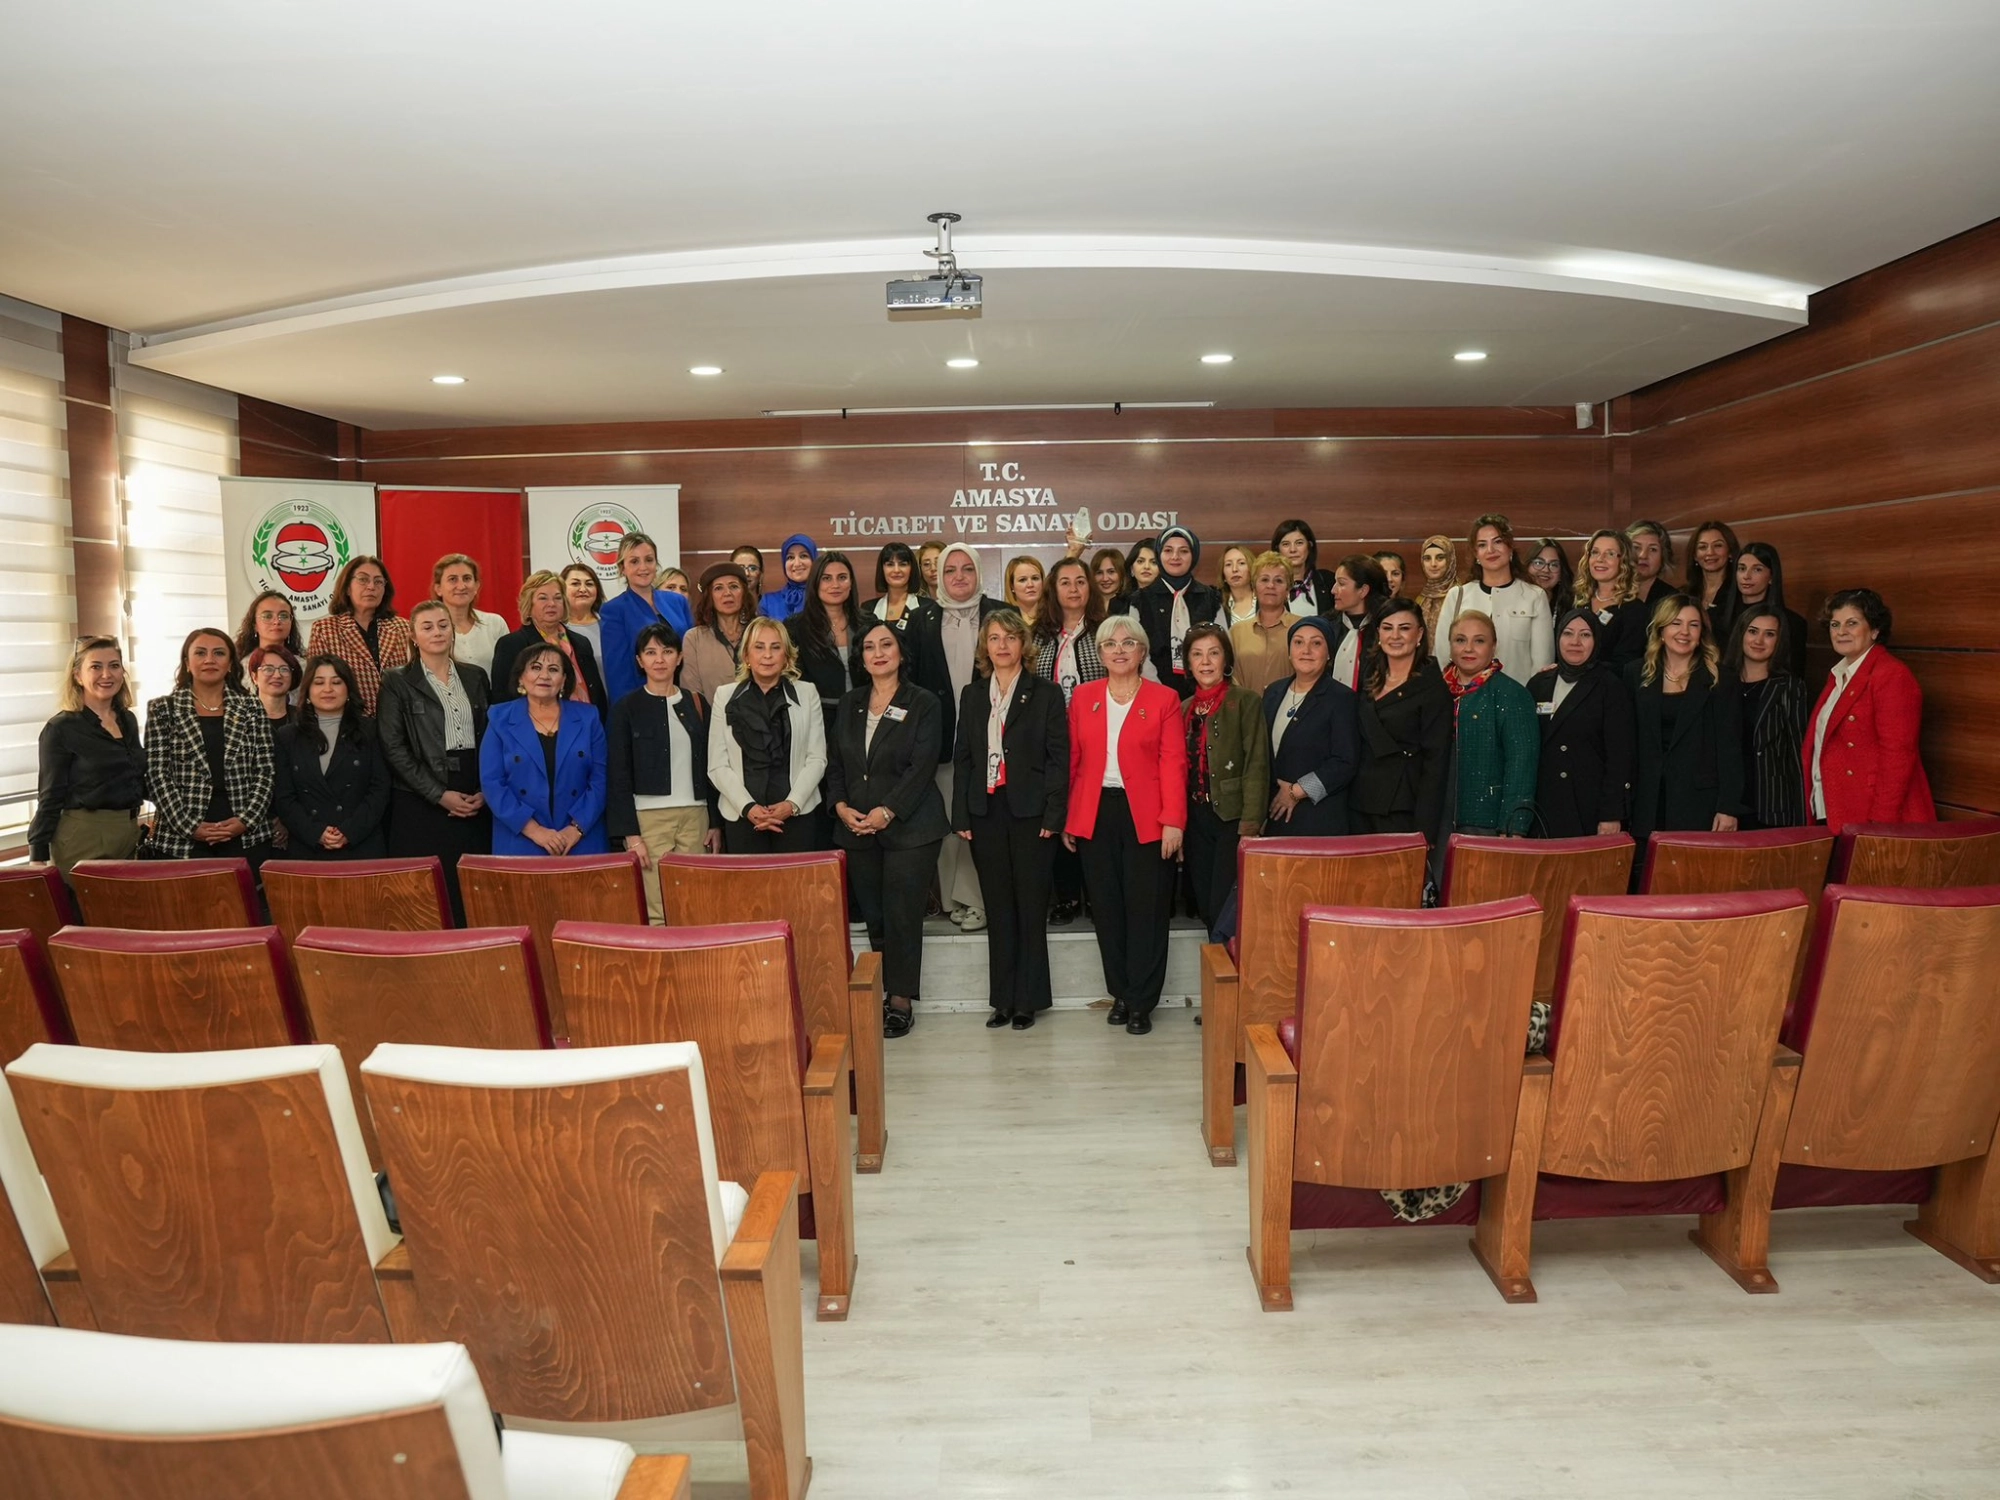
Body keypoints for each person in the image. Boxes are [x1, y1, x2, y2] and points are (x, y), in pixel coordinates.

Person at [1065, 615, 1186, 1036]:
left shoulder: (1164, 698)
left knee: (1146, 910)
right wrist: (1070, 817)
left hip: (1148, 816)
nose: (1118, 650)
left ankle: (1142, 1000)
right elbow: (1074, 762)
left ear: (1142, 651)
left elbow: (1173, 763)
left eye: (1128, 642)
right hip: (1096, 812)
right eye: (1109, 644)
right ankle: (1119, 992)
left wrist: (1173, 821)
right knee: (1108, 909)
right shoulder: (1083, 697)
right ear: (1099, 654)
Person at [828, 620, 950, 1038]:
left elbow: (922, 766)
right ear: (860, 658)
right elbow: (837, 764)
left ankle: (900, 1001)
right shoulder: (850, 703)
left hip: (910, 827)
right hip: (856, 826)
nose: (878, 653)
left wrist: (888, 811)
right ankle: (881, 991)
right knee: (876, 917)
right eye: (868, 647)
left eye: (886, 645)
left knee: (901, 915)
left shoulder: (923, 702)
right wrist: (841, 806)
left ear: (901, 652)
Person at [952, 610, 1068, 1029]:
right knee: (998, 907)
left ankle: (1028, 1001)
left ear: (1024, 645)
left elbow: (1059, 759)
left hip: (1032, 812)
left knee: (1030, 907)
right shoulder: (972, 694)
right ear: (986, 647)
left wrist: (1055, 814)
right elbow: (964, 756)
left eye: (1010, 638)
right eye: (995, 638)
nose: (1002, 645)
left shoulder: (1046, 694)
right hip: (986, 811)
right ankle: (1002, 999)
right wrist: (961, 813)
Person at [379, 600, 491, 922]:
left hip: (473, 793)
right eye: (427, 627)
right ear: (413, 636)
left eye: (443, 625)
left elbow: (491, 736)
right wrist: (438, 795)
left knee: (470, 894)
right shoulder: (397, 681)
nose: (437, 632)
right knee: (426, 897)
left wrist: (485, 788)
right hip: (421, 799)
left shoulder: (475, 677)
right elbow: (393, 746)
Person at [608, 622, 720, 922]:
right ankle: (663, 969)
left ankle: (695, 968)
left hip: (696, 816)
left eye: (667, 651)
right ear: (639, 660)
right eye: (651, 652)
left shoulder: (696, 702)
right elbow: (618, 774)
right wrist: (630, 834)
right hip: (649, 820)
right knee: (656, 909)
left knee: (695, 903)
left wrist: (715, 822)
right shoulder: (626, 708)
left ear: (680, 657)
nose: (659, 659)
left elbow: (713, 765)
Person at [1806, 588, 1935, 833]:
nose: (1841, 631)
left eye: (1851, 623)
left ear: (1875, 629)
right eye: (1835, 624)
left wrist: (1879, 826)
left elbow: (1897, 756)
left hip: (1873, 819)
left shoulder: (1891, 675)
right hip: (1837, 810)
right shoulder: (1839, 675)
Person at [143, 627, 275, 861]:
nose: (209, 660)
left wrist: (246, 821)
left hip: (244, 833)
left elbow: (265, 771)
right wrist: (189, 826)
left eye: (219, 653)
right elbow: (157, 775)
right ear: (187, 662)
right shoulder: (163, 709)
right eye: (201, 653)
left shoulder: (252, 707)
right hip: (181, 837)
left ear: (231, 664)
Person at [1626, 595, 1743, 850]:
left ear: (1702, 632)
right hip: (1646, 801)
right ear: (1661, 629)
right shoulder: (1635, 674)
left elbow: (1731, 749)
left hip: (1700, 803)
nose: (1684, 632)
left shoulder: (1721, 680)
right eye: (1676, 623)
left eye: (1693, 625)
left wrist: (1728, 807)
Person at [708, 617, 827, 853]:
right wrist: (748, 807)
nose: (767, 655)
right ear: (746, 656)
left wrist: (791, 804)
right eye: (759, 647)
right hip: (742, 818)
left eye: (776, 647)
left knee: (795, 887)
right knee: (751, 889)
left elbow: (817, 758)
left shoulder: (807, 693)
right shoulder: (724, 696)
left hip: (797, 815)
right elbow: (717, 765)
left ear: (787, 656)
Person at [479, 642, 609, 858]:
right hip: (521, 838)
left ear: (564, 680)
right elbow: (492, 783)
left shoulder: (589, 718)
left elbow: (601, 779)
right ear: (521, 677)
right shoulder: (499, 718)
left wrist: (575, 829)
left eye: (553, 669)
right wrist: (535, 831)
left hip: (581, 839)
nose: (544, 675)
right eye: (536, 667)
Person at [1179, 623, 1268, 938]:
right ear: (1188, 663)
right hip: (1195, 819)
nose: (1205, 662)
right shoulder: (1184, 708)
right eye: (1197, 654)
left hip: (1232, 817)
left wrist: (1251, 825)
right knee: (1204, 903)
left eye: (1214, 653)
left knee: (1224, 905)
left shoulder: (1245, 701)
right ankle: (1217, 974)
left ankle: (1230, 978)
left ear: (1226, 660)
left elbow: (1258, 763)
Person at [1030, 557, 1105, 925]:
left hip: (1098, 738)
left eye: (1080, 581)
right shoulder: (1037, 634)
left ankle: (1095, 894)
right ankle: (1066, 896)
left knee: (1092, 812)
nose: (1073, 589)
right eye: (1065, 582)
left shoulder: (1106, 630)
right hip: (1050, 740)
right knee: (1058, 812)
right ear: (1053, 590)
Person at [29, 635, 146, 871]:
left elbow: (137, 778)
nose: (107, 675)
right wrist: (37, 856)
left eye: (114, 666)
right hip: (84, 837)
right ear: (77, 676)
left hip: (128, 832)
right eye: (95, 667)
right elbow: (50, 797)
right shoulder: (61, 729)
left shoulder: (127, 720)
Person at [933, 543, 1004, 928]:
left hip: (990, 737)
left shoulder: (998, 613)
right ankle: (952, 900)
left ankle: (978, 900)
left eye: (966, 569)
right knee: (949, 822)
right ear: (939, 576)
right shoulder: (925, 619)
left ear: (978, 573)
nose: (959, 577)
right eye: (950, 570)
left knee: (981, 822)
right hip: (943, 740)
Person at [271, 655, 392, 861]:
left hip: (361, 846)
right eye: (319, 682)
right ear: (307, 690)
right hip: (308, 847)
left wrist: (349, 832)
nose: (328, 689)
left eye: (336, 682)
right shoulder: (287, 736)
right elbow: (284, 797)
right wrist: (315, 833)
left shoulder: (370, 730)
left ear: (348, 690)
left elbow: (380, 789)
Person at [1527, 610, 1635, 838]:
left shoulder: (1610, 687)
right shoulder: (1538, 684)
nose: (1575, 642)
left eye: (1585, 635)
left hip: (1588, 809)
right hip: (1542, 806)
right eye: (1568, 633)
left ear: (1596, 641)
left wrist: (1611, 813)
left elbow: (1620, 758)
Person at [1349, 600, 1451, 840]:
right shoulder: (1369, 676)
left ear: (1420, 635)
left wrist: (1425, 830)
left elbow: (1435, 764)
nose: (1395, 636)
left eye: (1404, 628)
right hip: (1359, 802)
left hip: (1401, 808)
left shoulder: (1433, 687)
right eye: (1387, 627)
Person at [1261, 617, 1360, 837]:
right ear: (1289, 651)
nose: (1306, 650)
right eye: (1298, 642)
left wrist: (1296, 792)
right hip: (1274, 815)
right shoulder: (1272, 693)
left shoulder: (1342, 698)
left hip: (1318, 819)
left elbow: (1345, 762)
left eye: (1316, 643)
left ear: (1329, 654)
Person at [1442, 612, 1538, 838]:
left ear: (1493, 647)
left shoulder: (1512, 694)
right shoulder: (1435, 690)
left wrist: (1514, 825)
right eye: (1460, 640)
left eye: (1479, 641)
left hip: (1487, 821)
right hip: (1439, 818)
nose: (1468, 649)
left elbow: (1521, 764)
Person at [1431, 514, 1554, 684]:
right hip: (1463, 701)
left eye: (1498, 542)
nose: (1490, 550)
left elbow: (1542, 663)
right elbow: (1442, 656)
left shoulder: (1535, 596)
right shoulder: (1457, 595)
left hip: (1517, 701)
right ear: (1476, 554)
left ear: (1510, 548)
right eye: (1482, 545)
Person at [1726, 605, 1809, 829]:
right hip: (1724, 807)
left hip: (1770, 806)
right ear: (1741, 633)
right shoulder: (1719, 682)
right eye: (1753, 631)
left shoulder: (1790, 687)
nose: (1759, 640)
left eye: (1769, 634)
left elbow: (1797, 756)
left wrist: (1801, 825)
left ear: (1779, 641)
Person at [306, 556, 412, 715]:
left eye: (378, 582)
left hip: (399, 722)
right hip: (351, 724)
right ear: (347, 587)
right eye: (363, 580)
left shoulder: (403, 627)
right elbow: (317, 684)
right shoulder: (325, 630)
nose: (371, 587)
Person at [491, 571, 608, 713]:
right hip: (536, 727)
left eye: (558, 598)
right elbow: (503, 699)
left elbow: (597, 694)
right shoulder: (511, 644)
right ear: (529, 604)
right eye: (543, 598)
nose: (551, 604)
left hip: (586, 724)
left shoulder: (581, 642)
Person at [599, 532, 695, 701]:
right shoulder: (613, 610)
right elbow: (618, 672)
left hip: (681, 695)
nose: (643, 567)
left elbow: (691, 655)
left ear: (656, 564)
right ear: (623, 568)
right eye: (634, 561)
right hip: (641, 701)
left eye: (649, 560)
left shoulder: (678, 601)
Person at [1131, 525, 1221, 697]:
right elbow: (1137, 652)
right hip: (1153, 694)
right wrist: (1160, 694)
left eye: (1184, 551)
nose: (1175, 557)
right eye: (1168, 550)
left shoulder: (1211, 597)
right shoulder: (1139, 600)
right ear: (1159, 554)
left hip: (1205, 694)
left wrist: (1205, 690)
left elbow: (1223, 648)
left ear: (1193, 556)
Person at [787, 550, 866, 743]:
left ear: (851, 583)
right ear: (815, 583)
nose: (835, 585)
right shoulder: (795, 627)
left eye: (842, 578)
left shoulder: (869, 623)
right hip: (817, 720)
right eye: (826, 578)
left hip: (865, 715)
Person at [1572, 528, 1652, 668]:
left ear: (1624, 561)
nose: (1600, 559)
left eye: (1610, 554)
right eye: (1595, 552)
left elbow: (1626, 663)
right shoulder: (1578, 602)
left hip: (1610, 686)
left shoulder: (1635, 611)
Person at [1732, 542, 1809, 679]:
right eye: (1742, 568)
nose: (1746, 576)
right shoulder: (1721, 617)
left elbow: (1795, 676)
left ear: (1772, 577)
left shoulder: (1792, 622)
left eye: (1757, 569)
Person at [681, 561, 752, 704]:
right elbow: (692, 693)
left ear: (744, 593)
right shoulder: (694, 638)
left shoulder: (758, 633)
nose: (727, 593)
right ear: (709, 596)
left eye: (734, 586)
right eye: (718, 588)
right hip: (711, 723)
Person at [1229, 551, 1294, 696]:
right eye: (1264, 580)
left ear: (1288, 589)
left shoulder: (1301, 628)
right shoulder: (1236, 632)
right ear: (1254, 586)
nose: (1271, 585)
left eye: (1279, 581)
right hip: (1245, 713)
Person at [432, 553, 509, 671]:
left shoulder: (495, 624)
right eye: (453, 579)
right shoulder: (428, 629)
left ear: (477, 586)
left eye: (467, 579)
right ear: (438, 589)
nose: (461, 586)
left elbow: (509, 672)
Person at [1328, 554, 1390, 690]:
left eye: (1341, 583)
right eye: (1335, 582)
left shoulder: (1386, 630)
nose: (1333, 590)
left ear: (1363, 590)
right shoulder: (1326, 626)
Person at [234, 591, 303, 696]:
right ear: (254, 625)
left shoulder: (303, 666)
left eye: (283, 616)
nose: (276, 622)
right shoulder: (240, 668)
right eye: (267, 616)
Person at [1687, 520, 1743, 641]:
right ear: (1695, 555)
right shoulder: (1683, 594)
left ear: (1730, 552)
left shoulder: (1741, 595)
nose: (1710, 552)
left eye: (1718, 545)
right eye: (1702, 547)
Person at [1272, 519, 1336, 617]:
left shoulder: (1328, 581)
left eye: (1299, 543)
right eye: (1286, 544)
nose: (1293, 550)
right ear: (1277, 549)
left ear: (1309, 546)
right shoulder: (1270, 586)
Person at [865, 542, 936, 630]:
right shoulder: (868, 609)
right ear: (882, 569)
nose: (896, 570)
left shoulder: (928, 607)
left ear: (911, 569)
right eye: (890, 564)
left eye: (903, 564)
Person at [759, 533, 819, 620]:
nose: (797, 563)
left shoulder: (825, 598)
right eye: (790, 557)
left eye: (803, 556)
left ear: (814, 560)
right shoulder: (768, 602)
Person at [1415, 534, 1459, 641]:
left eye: (1440, 558)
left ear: (1450, 560)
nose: (1433, 564)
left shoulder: (1460, 595)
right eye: (1427, 558)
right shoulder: (1421, 599)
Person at [560, 562, 605, 661]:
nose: (583, 589)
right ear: (562, 589)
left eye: (589, 584)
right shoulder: (555, 628)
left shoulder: (609, 624)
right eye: (575, 584)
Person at [246, 646, 302, 726]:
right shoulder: (241, 717)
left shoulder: (304, 718)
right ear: (254, 677)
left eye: (284, 669)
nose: (277, 675)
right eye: (268, 669)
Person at [1625, 520, 1676, 606]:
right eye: (1636, 547)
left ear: (1663, 557)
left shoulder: (1672, 599)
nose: (1643, 555)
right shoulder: (1608, 592)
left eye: (1653, 549)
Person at [1526, 539, 1573, 618]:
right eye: (1539, 563)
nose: (1545, 570)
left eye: (1554, 565)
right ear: (1527, 566)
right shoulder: (1513, 601)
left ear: (1561, 574)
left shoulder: (1571, 608)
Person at [1217, 545, 1259, 628]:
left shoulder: (1266, 599)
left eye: (1241, 563)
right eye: (1228, 564)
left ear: (1252, 569)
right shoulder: (1216, 604)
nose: (1235, 569)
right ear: (1223, 575)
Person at [1003, 555, 1046, 627]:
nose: (1030, 585)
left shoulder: (1053, 618)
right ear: (1012, 586)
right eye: (1022, 580)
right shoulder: (1004, 621)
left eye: (1035, 578)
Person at [1090, 547, 1129, 614]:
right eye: (1099, 573)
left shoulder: (1131, 604)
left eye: (1111, 572)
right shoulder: (1086, 604)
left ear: (1122, 574)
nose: (1105, 578)